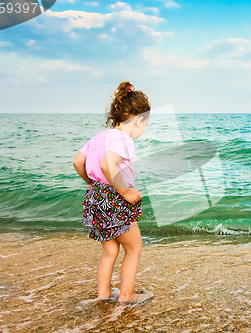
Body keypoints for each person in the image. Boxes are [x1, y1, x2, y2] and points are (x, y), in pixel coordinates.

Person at [72, 81, 153, 305]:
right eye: (145, 124)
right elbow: (109, 165)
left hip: (95, 197)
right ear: (139, 120)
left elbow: (78, 162)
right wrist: (124, 191)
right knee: (134, 247)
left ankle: (104, 294)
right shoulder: (124, 139)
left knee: (110, 251)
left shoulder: (99, 137)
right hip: (114, 197)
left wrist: (92, 183)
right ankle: (126, 296)